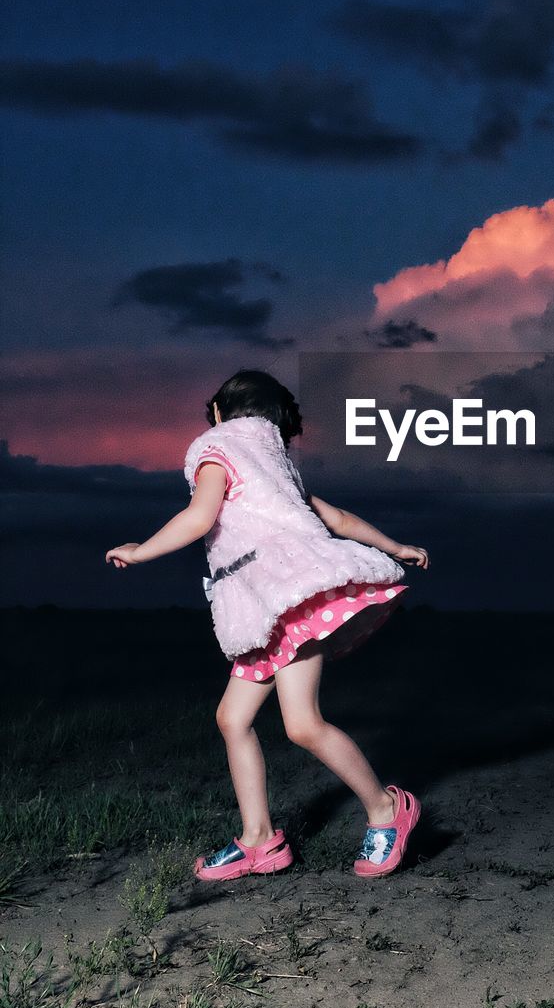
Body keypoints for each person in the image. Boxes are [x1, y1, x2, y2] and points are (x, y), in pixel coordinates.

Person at [105, 368, 428, 881]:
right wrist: (395, 547)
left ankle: (388, 809)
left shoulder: (217, 449)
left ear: (218, 413)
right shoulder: (276, 465)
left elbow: (199, 516)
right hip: (262, 610)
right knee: (233, 719)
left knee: (302, 725)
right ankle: (260, 840)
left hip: (286, 602)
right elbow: (338, 519)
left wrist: (140, 551)